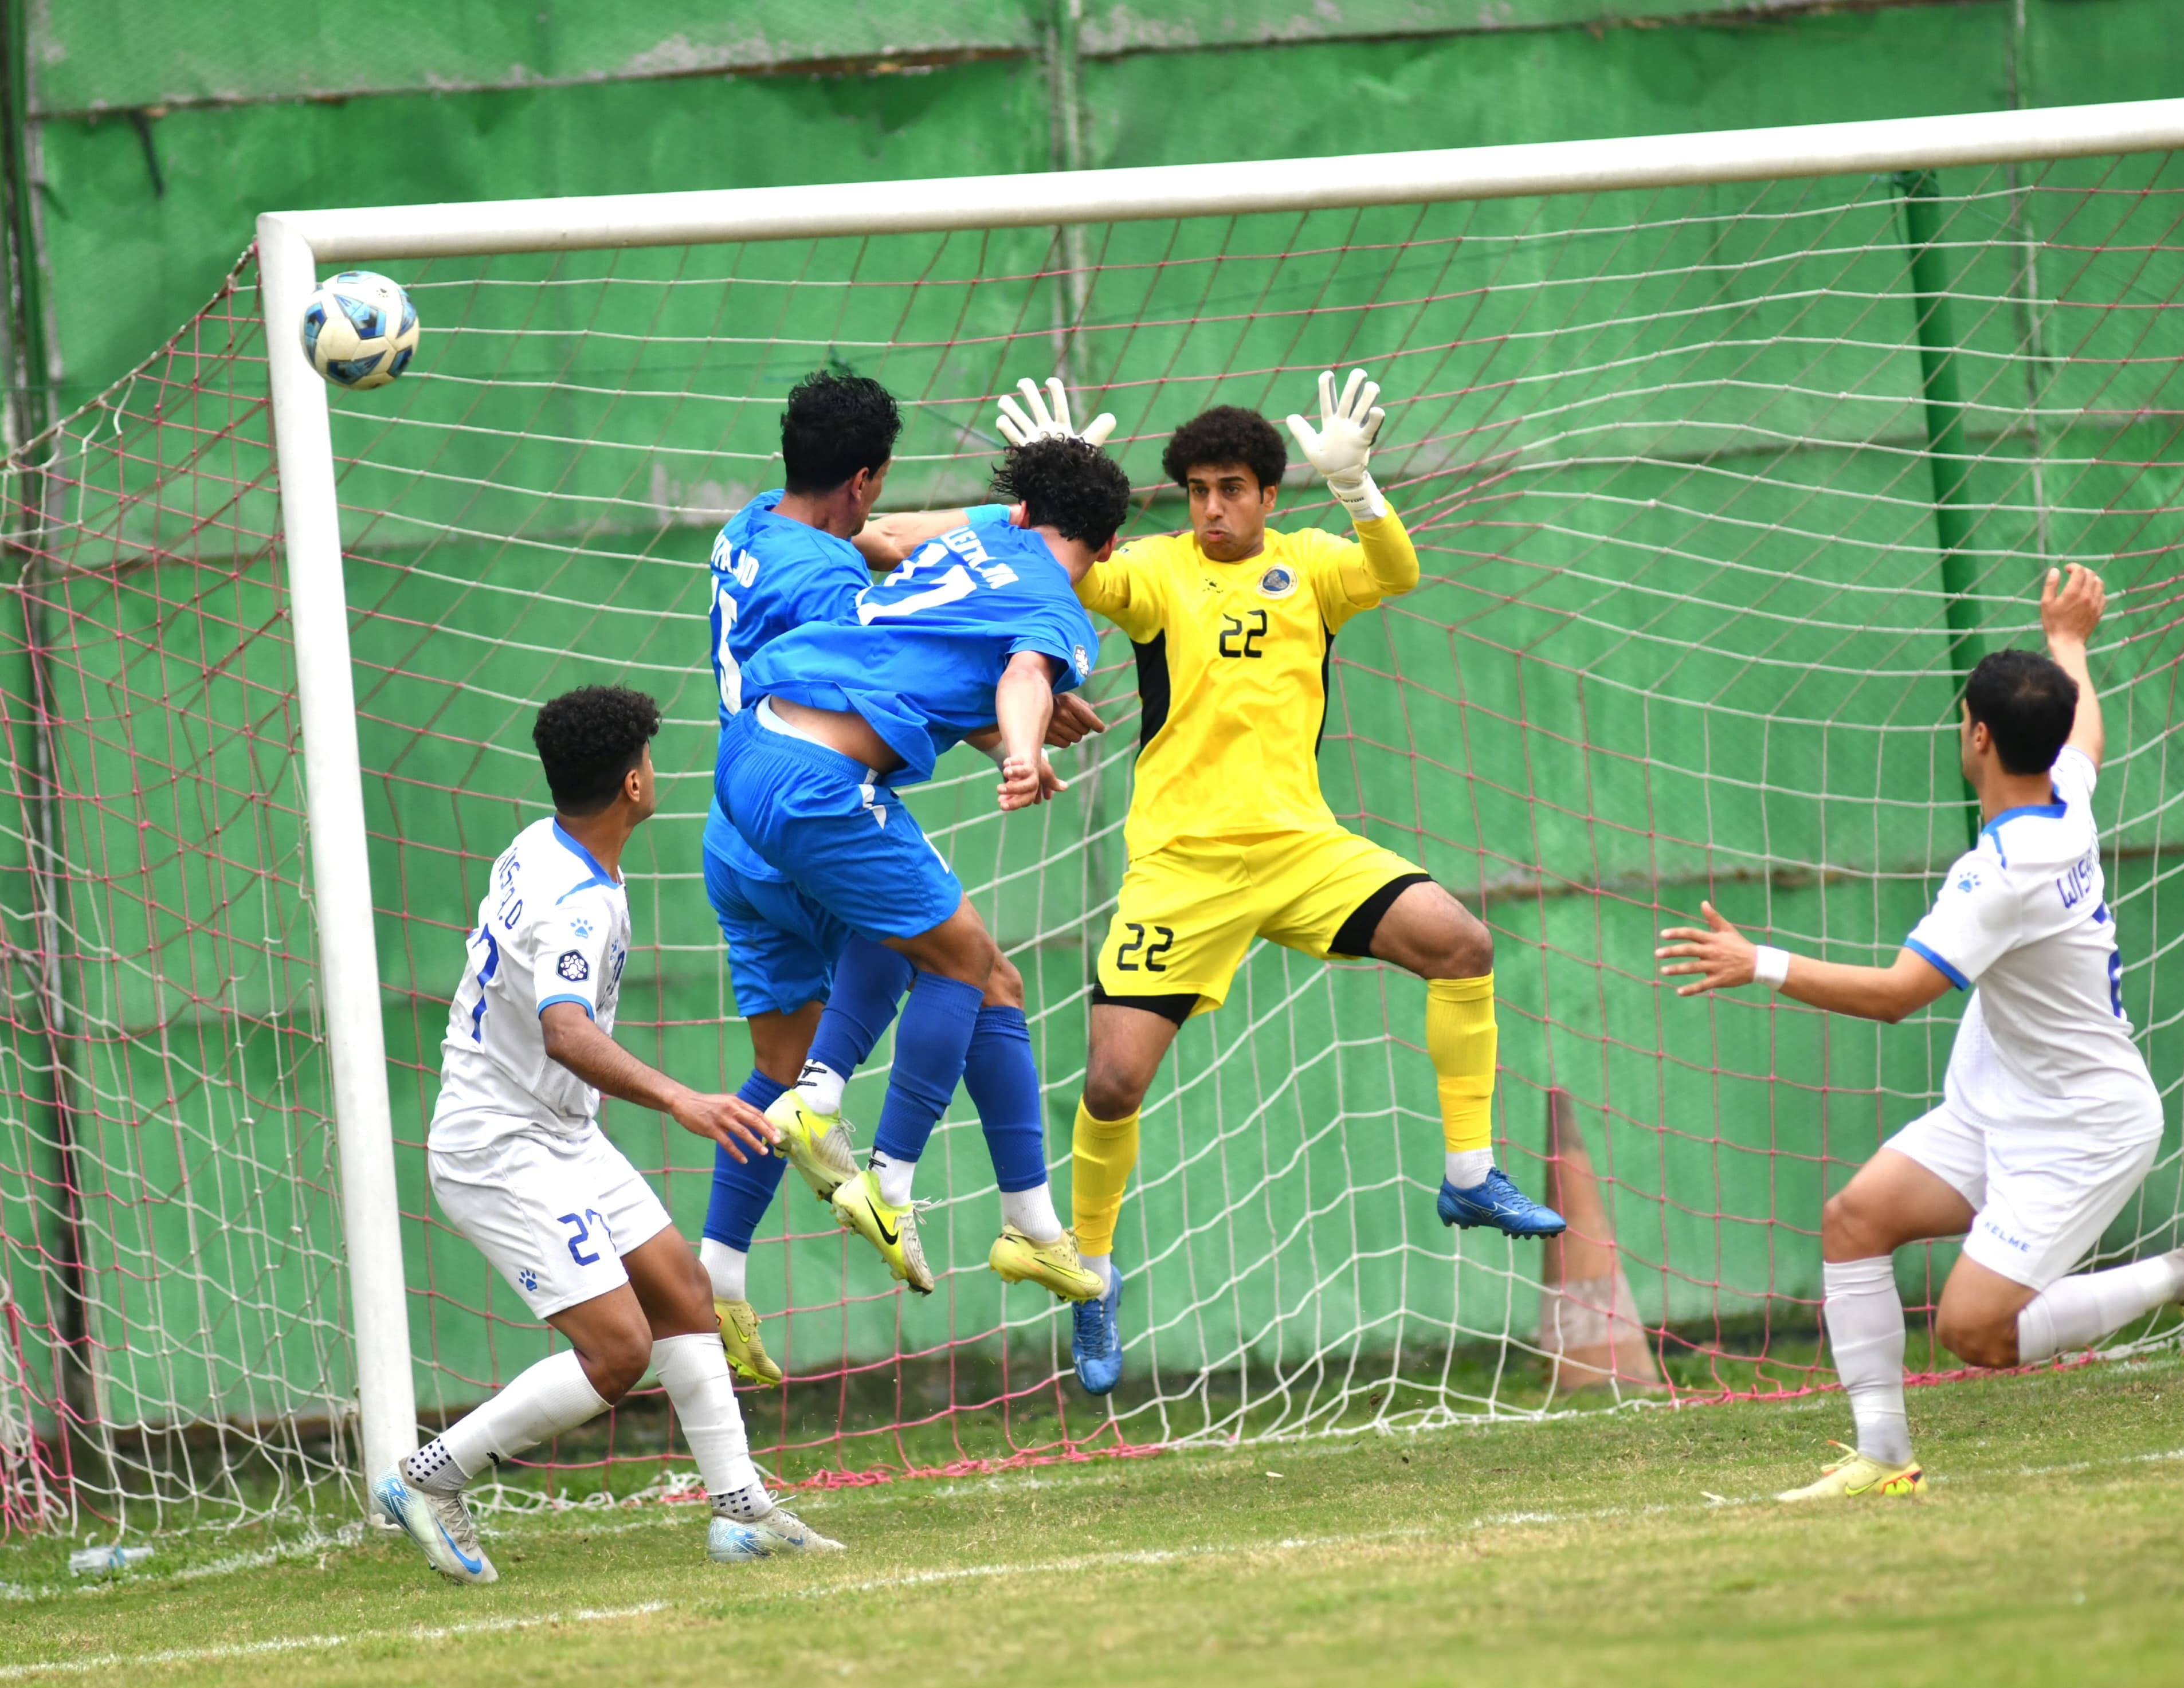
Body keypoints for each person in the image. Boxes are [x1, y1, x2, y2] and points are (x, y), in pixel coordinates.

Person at [880, 374, 1566, 1396]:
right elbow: (1070, 584)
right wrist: (1049, 495)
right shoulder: (1154, 570)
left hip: (1303, 850)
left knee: (1463, 943)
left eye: (1231, 488)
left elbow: (1400, 569)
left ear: (1271, 494)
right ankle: (1095, 1272)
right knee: (1113, 1083)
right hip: (1181, 868)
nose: (1211, 507)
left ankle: (1470, 1177)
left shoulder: (1317, 567)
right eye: (1197, 489)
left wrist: (1362, 488)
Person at [1655, 565, 2184, 1502]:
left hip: (2081, 1125)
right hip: (2002, 1097)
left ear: (1977, 735)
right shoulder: (2067, 790)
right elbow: (2085, 725)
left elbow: (1898, 995)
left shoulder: (2001, 871)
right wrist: (2069, 642)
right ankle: (1883, 1459)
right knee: (1855, 1222)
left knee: (1976, 1332)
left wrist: (1757, 961)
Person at [374, 686, 840, 1584]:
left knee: (682, 1290)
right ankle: (429, 1479)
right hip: (498, 1144)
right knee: (620, 1351)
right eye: (652, 763)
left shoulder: (539, 844)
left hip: (556, 1126)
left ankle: (740, 1510)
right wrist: (680, 1099)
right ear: (633, 782)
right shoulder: (580, 899)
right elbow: (566, 1029)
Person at [694, 370, 1103, 1383]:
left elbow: (902, 547)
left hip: (733, 808)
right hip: (811, 796)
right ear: (867, 476)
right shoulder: (831, 584)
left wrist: (1027, 499)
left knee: (801, 1052)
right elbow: (909, 660)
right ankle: (912, 1179)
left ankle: (720, 1275)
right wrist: (1015, 727)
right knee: (965, 966)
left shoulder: (754, 525)